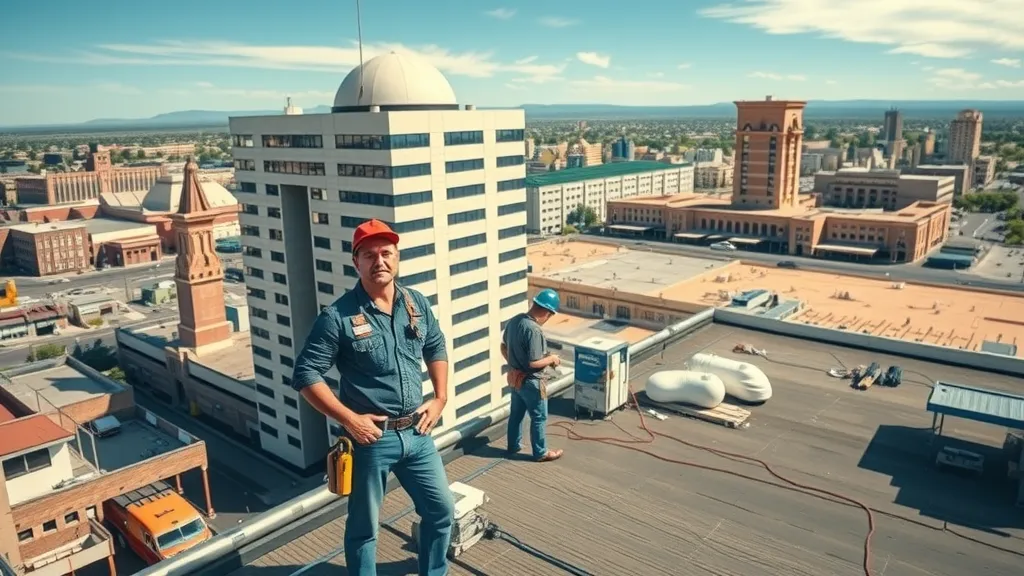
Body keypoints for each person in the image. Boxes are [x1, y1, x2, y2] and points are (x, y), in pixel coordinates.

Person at [291, 219, 454, 576]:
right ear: (356, 262)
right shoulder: (338, 316)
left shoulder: (415, 303)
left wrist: (440, 398)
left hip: (418, 432)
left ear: (396, 257)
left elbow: (435, 345)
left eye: (386, 253)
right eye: (369, 255)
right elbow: (305, 374)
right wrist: (349, 419)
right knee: (364, 529)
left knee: (441, 510)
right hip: (371, 440)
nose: (379, 261)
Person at [500, 288, 564, 463]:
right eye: (550, 315)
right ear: (547, 312)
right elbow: (533, 363)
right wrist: (552, 359)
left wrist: (513, 363)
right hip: (532, 382)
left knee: (516, 415)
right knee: (539, 417)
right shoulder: (534, 330)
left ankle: (513, 446)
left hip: (515, 378)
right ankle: (541, 453)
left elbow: (503, 346)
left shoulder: (515, 321)